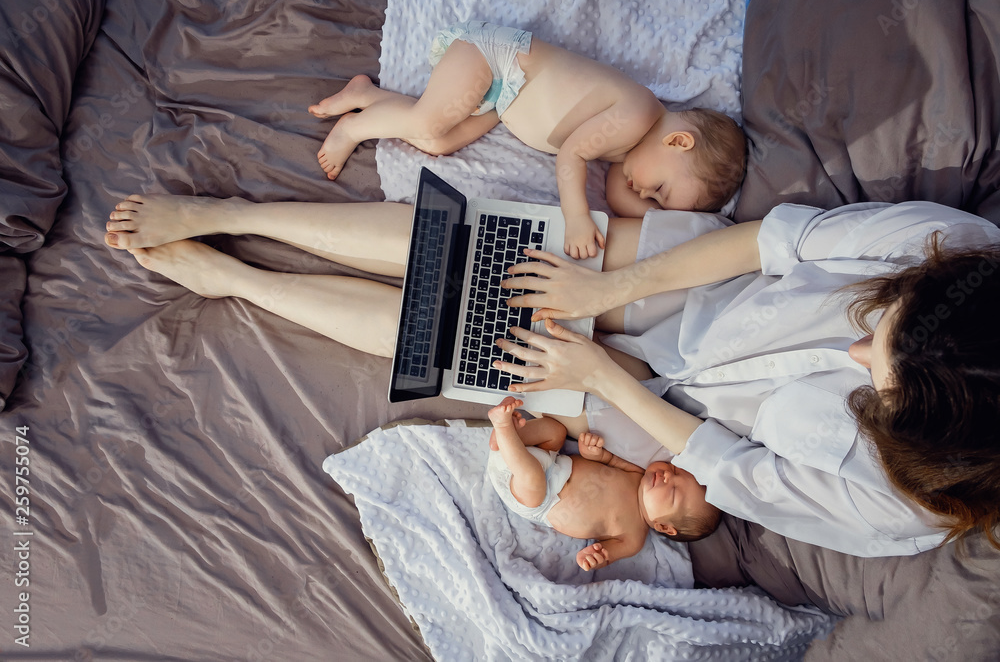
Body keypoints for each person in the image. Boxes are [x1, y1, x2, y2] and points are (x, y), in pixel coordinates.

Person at [103, 195, 1000, 557]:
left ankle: (239, 279)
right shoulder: (959, 253)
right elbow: (776, 240)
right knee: (479, 255)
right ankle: (231, 212)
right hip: (707, 287)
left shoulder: (906, 504)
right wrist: (610, 287)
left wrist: (602, 377)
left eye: (870, 383)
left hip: (689, 432)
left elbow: (733, 470)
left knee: (473, 341)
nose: (854, 352)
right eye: (874, 326)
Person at [307, 20, 746, 259]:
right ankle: (353, 127)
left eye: (657, 199)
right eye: (661, 189)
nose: (646, 193)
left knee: (438, 143)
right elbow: (572, 153)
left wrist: (671, 218)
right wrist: (576, 217)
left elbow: (621, 202)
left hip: (502, 101)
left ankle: (370, 97)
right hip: (495, 60)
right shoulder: (639, 112)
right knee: (427, 125)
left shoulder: (630, 155)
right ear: (679, 142)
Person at [486, 396, 720, 570]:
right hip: (547, 459)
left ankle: (505, 430)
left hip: (537, 499)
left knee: (533, 478)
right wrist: (593, 452)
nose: (668, 475)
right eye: (676, 470)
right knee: (556, 431)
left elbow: (605, 555)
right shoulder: (636, 472)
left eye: (673, 492)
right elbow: (608, 459)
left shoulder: (633, 538)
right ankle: (508, 442)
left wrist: (593, 558)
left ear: (665, 527)